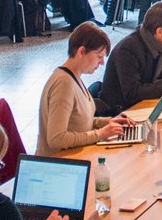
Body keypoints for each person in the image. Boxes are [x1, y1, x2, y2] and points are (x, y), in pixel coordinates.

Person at [37, 23, 134, 155]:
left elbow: (77, 122)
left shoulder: (74, 77)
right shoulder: (64, 84)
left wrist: (106, 122)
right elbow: (56, 139)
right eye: (99, 56)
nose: (102, 63)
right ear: (81, 52)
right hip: (61, 163)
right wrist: (100, 134)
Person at [96, 2, 162, 115]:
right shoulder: (127, 50)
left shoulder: (161, 43)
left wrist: (157, 85)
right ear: (159, 32)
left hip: (146, 106)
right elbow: (132, 93)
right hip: (120, 113)